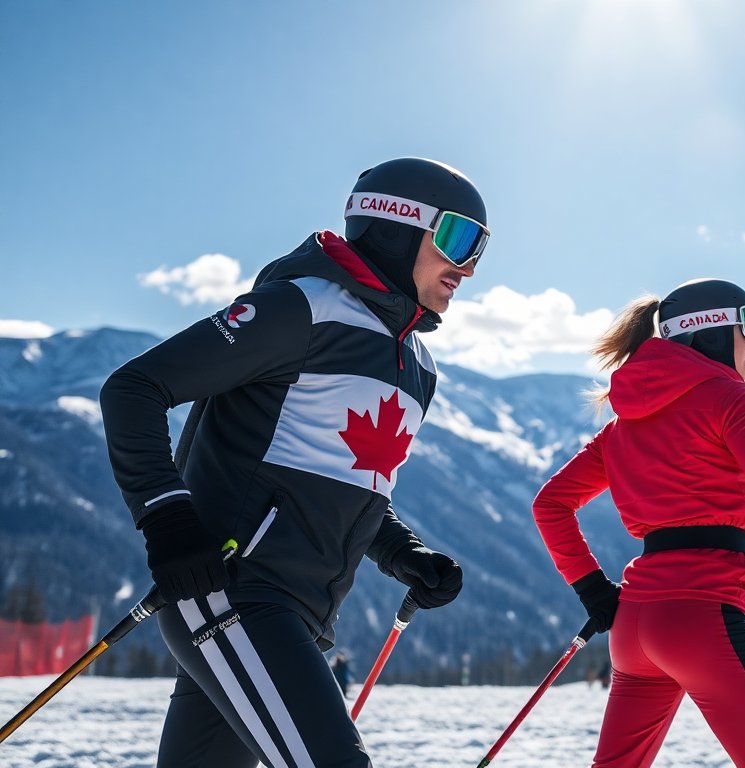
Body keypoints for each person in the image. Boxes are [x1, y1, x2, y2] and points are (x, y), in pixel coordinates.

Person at [100, 157, 489, 767]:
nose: (466, 266)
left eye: (480, 247)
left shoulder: (417, 365)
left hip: (298, 614)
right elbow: (134, 389)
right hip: (233, 595)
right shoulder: (300, 308)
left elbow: (344, 483)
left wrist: (402, 551)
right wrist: (168, 523)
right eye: (458, 238)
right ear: (397, 225)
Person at [532, 278, 745, 768]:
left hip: (634, 626)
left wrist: (594, 592)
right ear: (710, 330)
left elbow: (550, 504)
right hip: (700, 617)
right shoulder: (728, 397)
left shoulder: (621, 427)